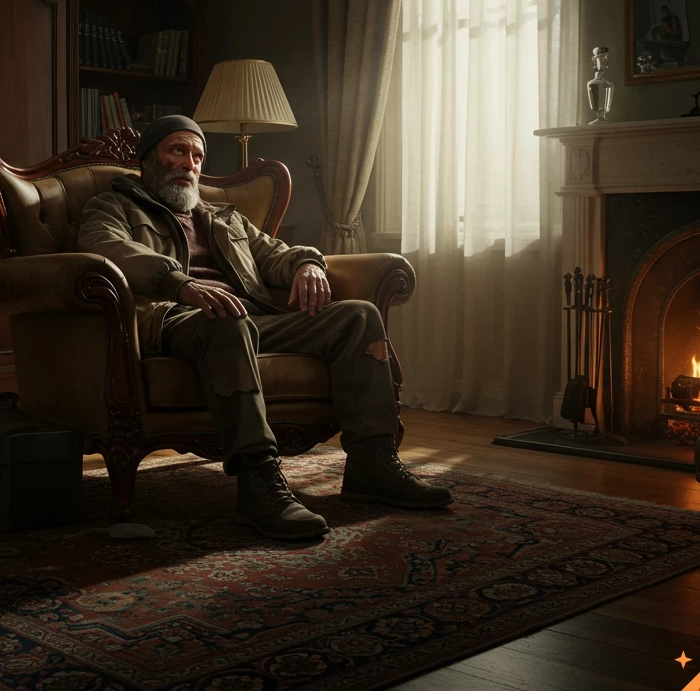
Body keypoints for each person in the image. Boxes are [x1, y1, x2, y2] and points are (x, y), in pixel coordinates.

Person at [76, 115, 451, 541]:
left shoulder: (224, 217)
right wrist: (179, 284)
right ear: (148, 161)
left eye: (197, 156)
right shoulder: (114, 206)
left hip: (250, 319)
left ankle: (373, 464)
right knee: (228, 321)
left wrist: (308, 263)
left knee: (358, 315)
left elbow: (276, 253)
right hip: (172, 320)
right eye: (177, 151)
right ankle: (258, 481)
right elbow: (104, 247)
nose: (189, 164)